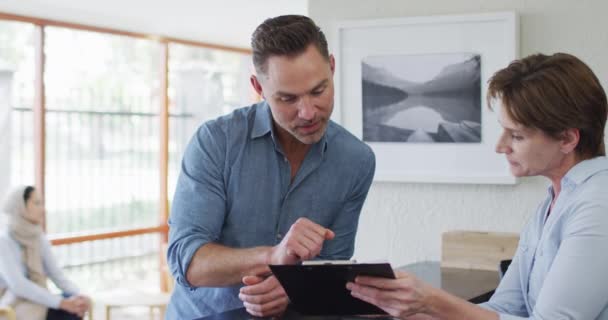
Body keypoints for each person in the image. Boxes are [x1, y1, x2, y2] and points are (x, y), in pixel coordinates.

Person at [346, 52, 608, 320]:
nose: (500, 146)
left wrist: (431, 300)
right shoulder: (552, 204)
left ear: (566, 139)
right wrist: (402, 310)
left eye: (516, 135)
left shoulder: (598, 206)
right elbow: (503, 310)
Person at [166, 15, 376, 319]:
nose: (307, 112)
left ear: (331, 67)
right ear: (258, 86)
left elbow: (331, 270)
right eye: (287, 98)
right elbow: (187, 261)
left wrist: (292, 289)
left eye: (318, 91)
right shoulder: (216, 142)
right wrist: (273, 257)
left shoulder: (357, 160)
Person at [0, 186, 91, 320]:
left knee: (75, 308)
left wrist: (79, 295)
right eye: (37, 203)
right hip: (13, 304)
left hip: (40, 298)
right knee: (67, 311)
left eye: (42, 203)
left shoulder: (38, 237)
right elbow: (18, 285)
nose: (42, 210)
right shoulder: (4, 240)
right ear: (20, 207)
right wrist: (61, 303)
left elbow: (57, 275)